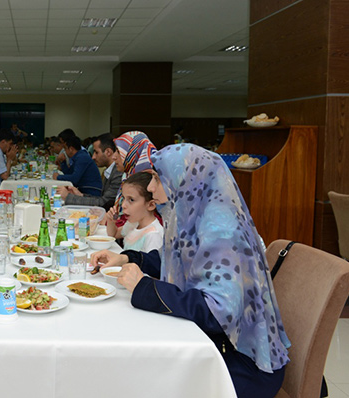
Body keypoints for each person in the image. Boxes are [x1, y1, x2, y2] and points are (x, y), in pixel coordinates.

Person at [91, 144, 289, 398]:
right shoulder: (194, 216)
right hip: (217, 346)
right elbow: (172, 261)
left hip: (242, 363)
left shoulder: (222, 233)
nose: (151, 188)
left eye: (157, 178)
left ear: (187, 179)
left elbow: (216, 313)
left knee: (142, 379)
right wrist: (126, 257)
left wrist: (145, 288)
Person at [59, 133, 122, 209]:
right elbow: (101, 199)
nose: (93, 157)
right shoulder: (109, 170)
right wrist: (80, 195)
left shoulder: (118, 172)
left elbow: (103, 203)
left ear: (108, 152)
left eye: (96, 152)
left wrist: (68, 197)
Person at [105, 172, 163, 253]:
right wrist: (111, 221)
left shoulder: (153, 234)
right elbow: (113, 235)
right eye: (124, 198)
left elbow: (152, 264)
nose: (123, 205)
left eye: (131, 200)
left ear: (151, 205)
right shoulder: (134, 224)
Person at [110, 131, 157, 230]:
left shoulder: (148, 183)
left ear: (132, 154)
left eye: (119, 152)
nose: (113, 157)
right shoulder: (127, 176)